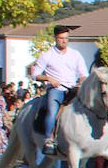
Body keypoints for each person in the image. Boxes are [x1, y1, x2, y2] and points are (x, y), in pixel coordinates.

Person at [30, 25, 89, 155]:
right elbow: (35, 74)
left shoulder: (75, 54)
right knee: (52, 112)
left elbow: (83, 74)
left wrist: (82, 82)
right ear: (55, 38)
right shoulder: (47, 55)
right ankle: (49, 139)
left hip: (73, 89)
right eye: (61, 38)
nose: (64, 41)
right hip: (56, 89)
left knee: (87, 109)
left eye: (66, 38)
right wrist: (48, 78)